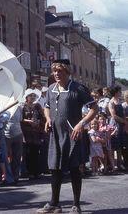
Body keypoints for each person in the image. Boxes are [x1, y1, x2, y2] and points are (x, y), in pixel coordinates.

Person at [37, 59, 98, 214]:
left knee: (74, 169)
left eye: (60, 71)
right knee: (55, 169)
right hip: (55, 135)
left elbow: (94, 108)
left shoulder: (78, 88)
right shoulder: (51, 88)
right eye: (55, 71)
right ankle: (54, 204)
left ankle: (76, 205)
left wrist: (81, 124)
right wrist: (48, 119)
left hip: (72, 135)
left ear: (67, 72)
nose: (57, 73)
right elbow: (47, 107)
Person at [21, 89, 44, 180]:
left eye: (34, 96)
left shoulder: (37, 106)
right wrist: (29, 121)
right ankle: (30, 172)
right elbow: (21, 118)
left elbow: (42, 117)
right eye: (31, 96)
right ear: (27, 97)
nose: (33, 97)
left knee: (36, 152)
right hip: (27, 133)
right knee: (28, 153)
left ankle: (36, 172)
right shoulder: (23, 107)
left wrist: (38, 122)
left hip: (36, 132)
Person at [108, 86, 128, 171]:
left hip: (121, 125)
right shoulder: (111, 102)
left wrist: (124, 122)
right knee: (114, 146)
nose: (120, 93)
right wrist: (124, 121)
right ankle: (114, 164)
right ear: (116, 92)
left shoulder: (119, 101)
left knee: (120, 146)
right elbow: (114, 115)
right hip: (115, 125)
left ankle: (120, 164)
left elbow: (122, 113)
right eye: (119, 91)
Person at [4, 106, 23, 183]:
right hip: (6, 135)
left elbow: (20, 120)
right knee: (6, 157)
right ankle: (8, 177)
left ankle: (16, 176)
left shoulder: (19, 108)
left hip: (18, 134)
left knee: (17, 157)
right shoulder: (5, 107)